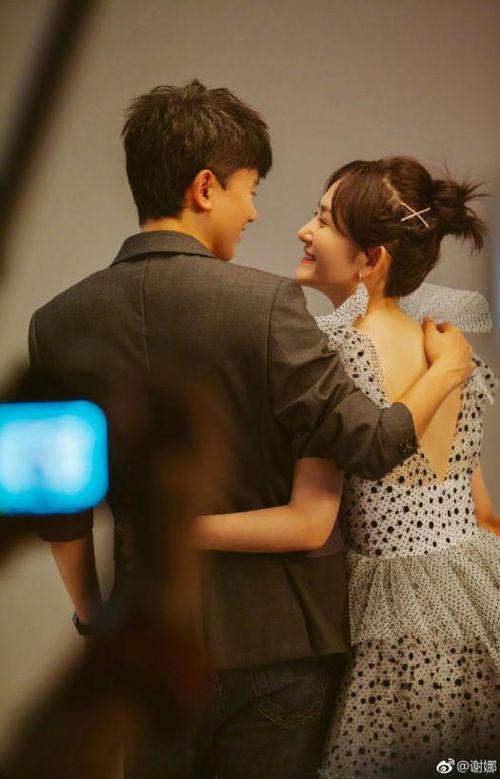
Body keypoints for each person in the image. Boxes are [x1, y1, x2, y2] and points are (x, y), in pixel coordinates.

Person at [28, 82, 474, 779]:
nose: (257, 212)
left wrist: (95, 618)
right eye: (250, 189)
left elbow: (59, 512)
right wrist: (448, 370)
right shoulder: (268, 305)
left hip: (150, 653)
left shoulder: (57, 322)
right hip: (280, 649)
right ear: (206, 188)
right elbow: (373, 442)